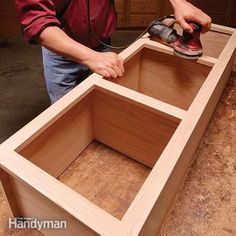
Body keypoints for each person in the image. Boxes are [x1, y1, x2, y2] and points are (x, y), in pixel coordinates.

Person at [15, 0, 211, 104]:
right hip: (62, 55)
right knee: (62, 112)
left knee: (105, 103)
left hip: (102, 44)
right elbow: (38, 23)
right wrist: (90, 57)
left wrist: (178, 2)